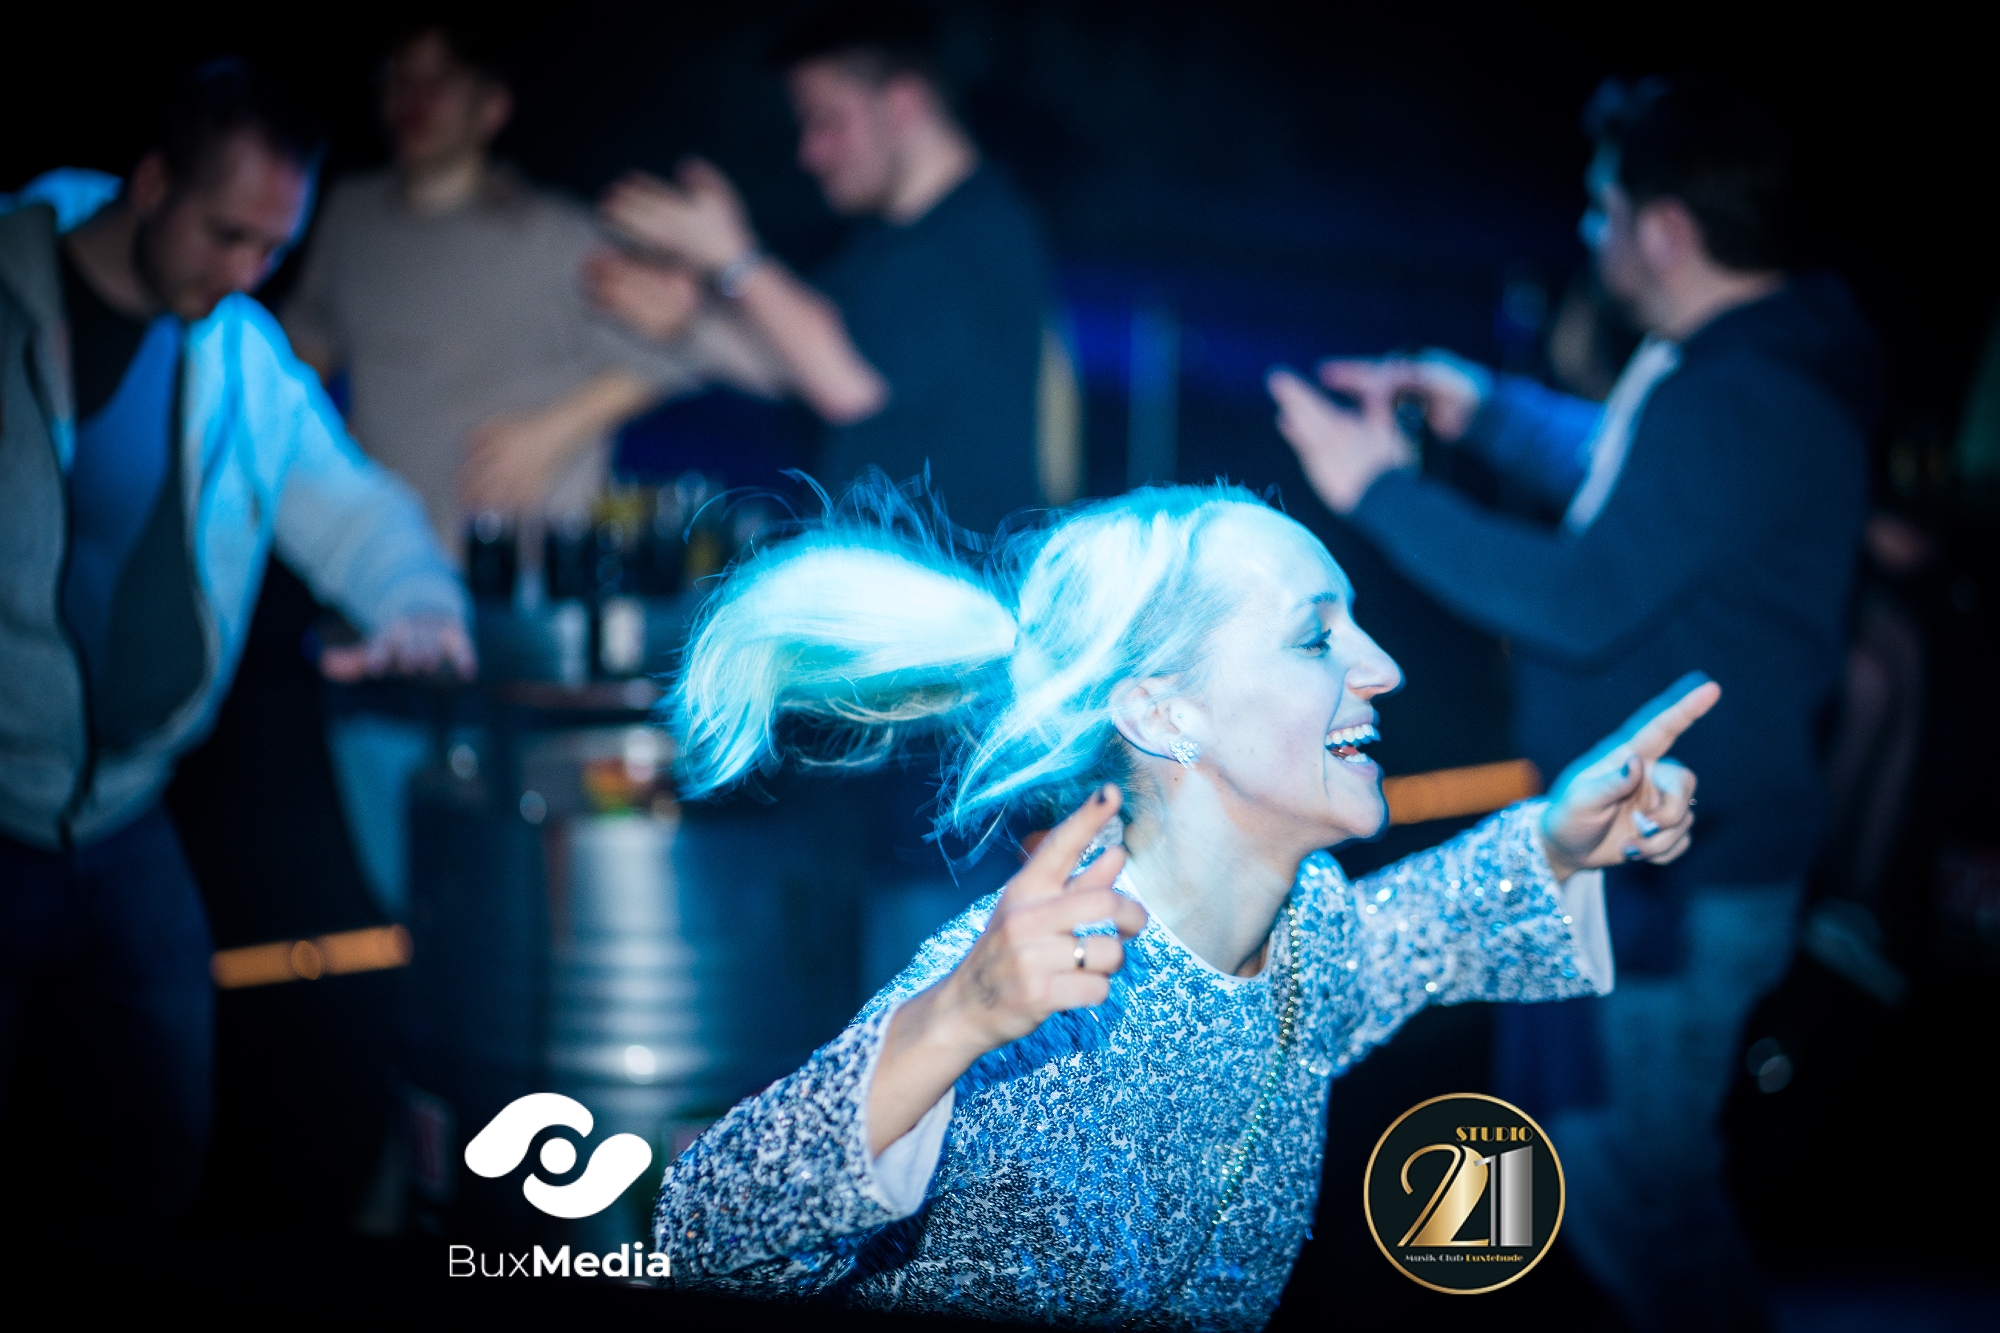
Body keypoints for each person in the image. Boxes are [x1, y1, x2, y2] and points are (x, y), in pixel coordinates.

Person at [650, 480, 1716, 1326]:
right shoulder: (1037, 974)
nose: (1384, 667)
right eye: (1316, 638)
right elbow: (698, 1233)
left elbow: (1414, 935)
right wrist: (953, 1019)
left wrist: (1557, 838)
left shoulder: (1304, 923)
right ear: (1164, 714)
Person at [1266, 76, 1879, 1330]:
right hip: (1636, 849)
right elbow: (1635, 482)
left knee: (1636, 1207)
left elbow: (1585, 595)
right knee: (1581, 1181)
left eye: (1602, 208)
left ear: (1664, 226)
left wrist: (1377, 487)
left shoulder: (1743, 393)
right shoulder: (1732, 373)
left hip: (1672, 875)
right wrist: (1479, 409)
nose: (1589, 233)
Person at [0, 61, 470, 1236]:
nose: (248, 271)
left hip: (129, 818)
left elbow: (349, 507)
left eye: (274, 247)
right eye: (227, 234)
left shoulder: (242, 354)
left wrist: (416, 601)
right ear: (153, 181)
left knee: (163, 1153)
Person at [588, 0, 1056, 534]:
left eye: (826, 121)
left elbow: (847, 384)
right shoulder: (883, 247)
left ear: (903, 104)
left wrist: (732, 256)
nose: (809, 153)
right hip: (895, 566)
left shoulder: (978, 229)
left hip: (951, 572)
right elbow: (789, 365)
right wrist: (689, 319)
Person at [282, 21, 732, 550]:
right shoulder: (347, 213)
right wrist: (320, 450)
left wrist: (553, 432)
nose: (414, 96)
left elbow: (682, 354)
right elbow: (302, 348)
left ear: (492, 107)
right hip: (372, 564)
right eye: (398, 76)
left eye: (440, 79)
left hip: (517, 569)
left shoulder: (555, 236)